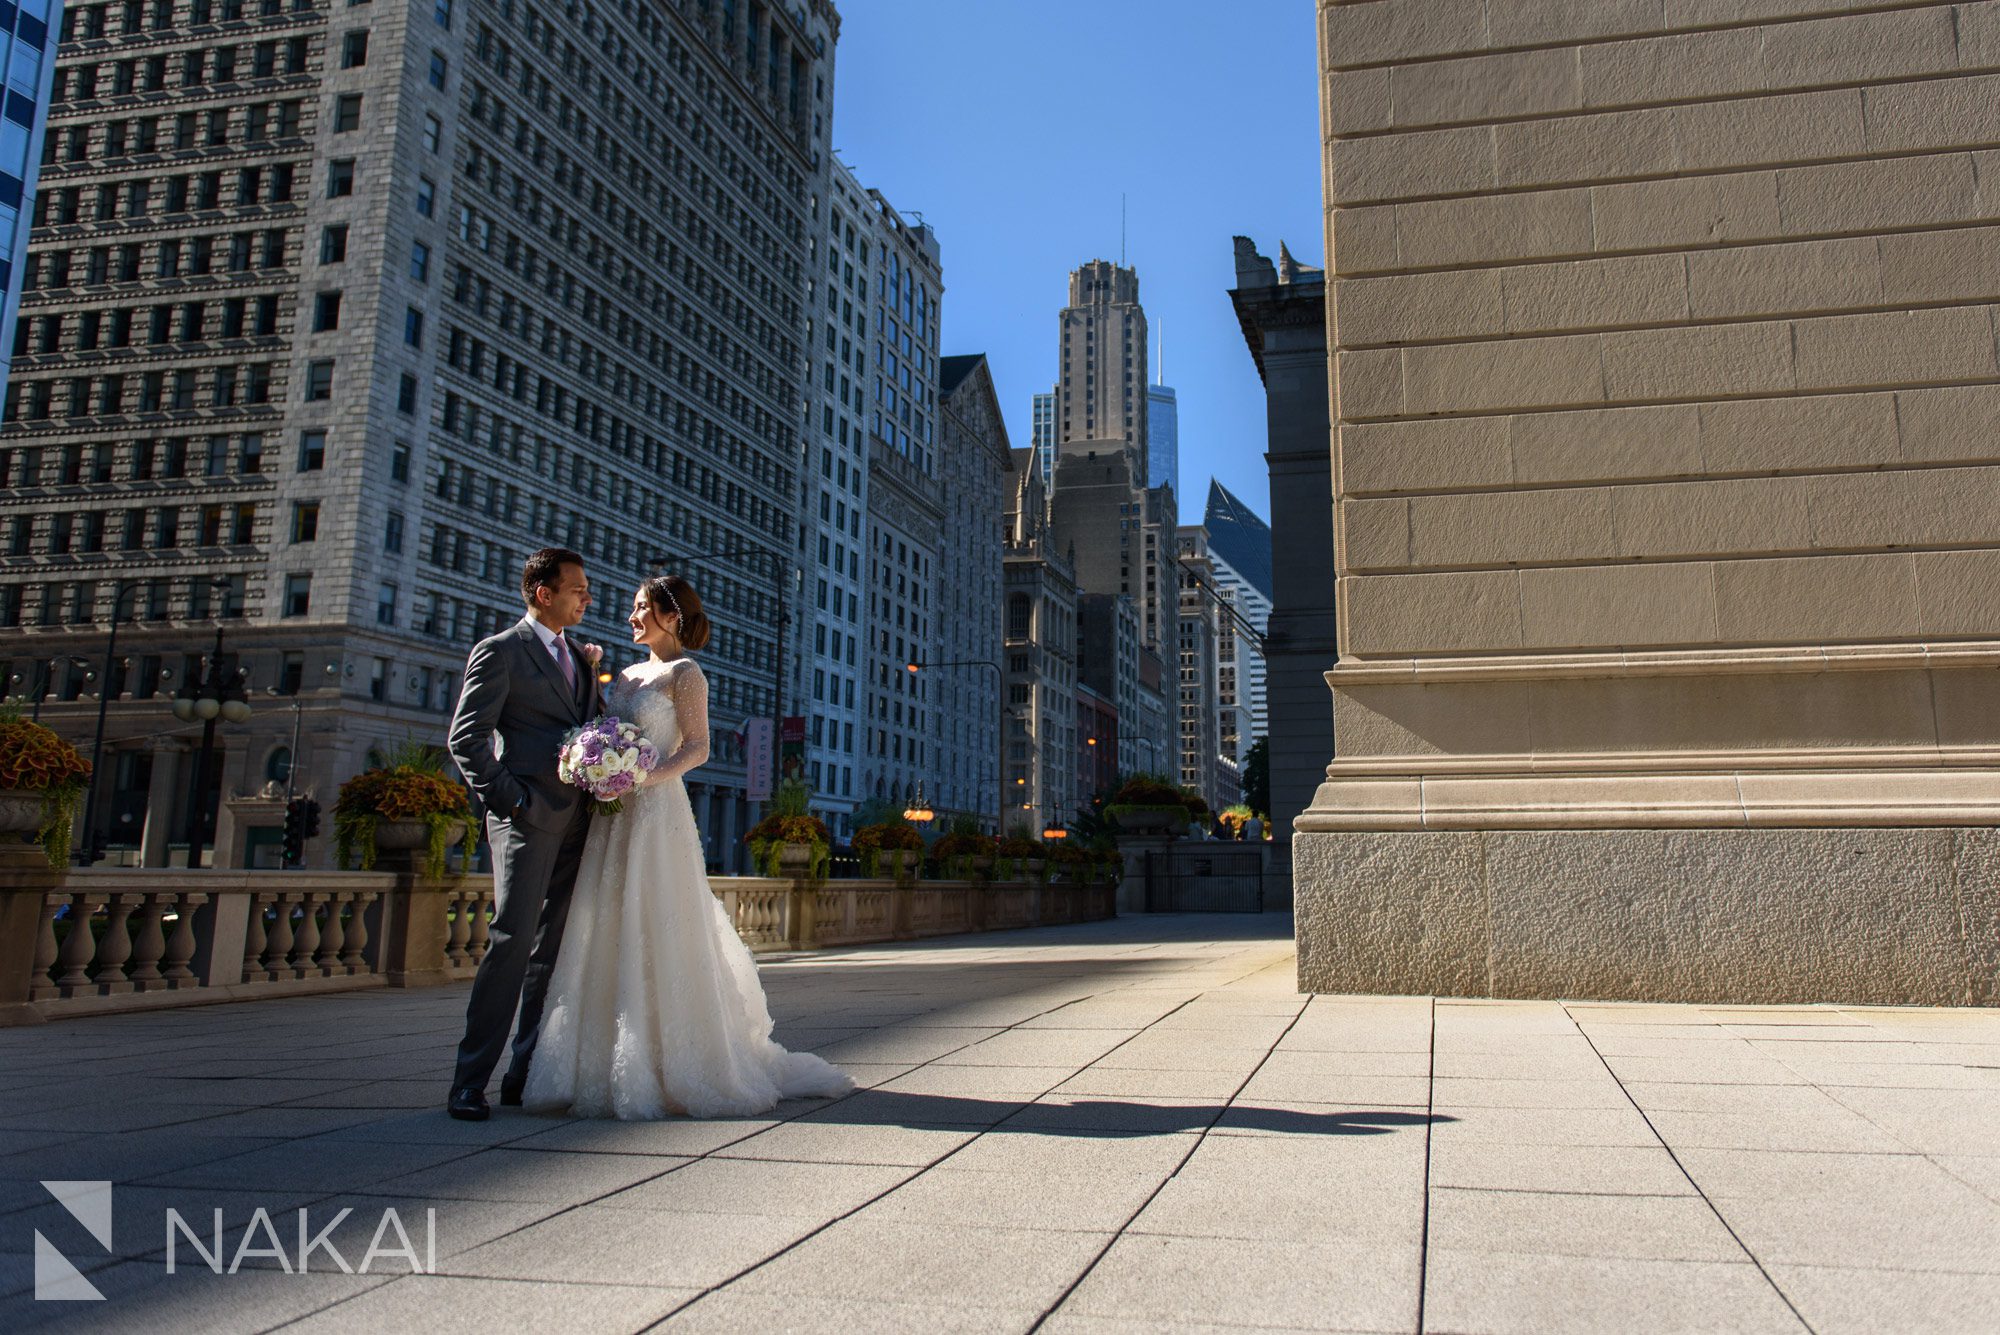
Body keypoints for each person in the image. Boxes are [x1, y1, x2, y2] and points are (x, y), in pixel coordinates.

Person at [524, 574, 854, 1119]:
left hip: (655, 811)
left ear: (671, 616)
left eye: (641, 608)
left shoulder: (686, 674)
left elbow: (697, 748)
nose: (631, 616)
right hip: (613, 816)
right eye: (632, 608)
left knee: (659, 923)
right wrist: (598, 754)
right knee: (604, 924)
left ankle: (675, 1065)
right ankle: (597, 1067)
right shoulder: (625, 673)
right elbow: (598, 729)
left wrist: (641, 777)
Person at [443, 549, 603, 1122]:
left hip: (577, 822)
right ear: (542, 593)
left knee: (550, 954)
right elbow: (466, 740)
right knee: (510, 945)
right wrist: (514, 801)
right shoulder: (499, 652)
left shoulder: (582, 660)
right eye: (577, 589)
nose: (587, 598)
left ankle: (524, 1074)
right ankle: (469, 1081)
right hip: (525, 820)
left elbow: (586, 729)